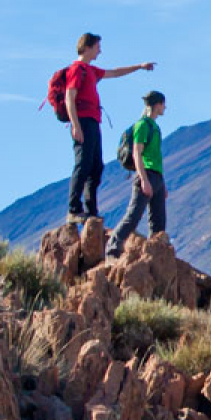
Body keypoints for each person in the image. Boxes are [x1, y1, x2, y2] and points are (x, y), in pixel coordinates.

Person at [66, 32, 155, 222]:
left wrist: (139, 67)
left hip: (93, 121)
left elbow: (115, 72)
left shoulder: (90, 71)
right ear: (88, 47)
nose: (100, 51)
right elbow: (69, 97)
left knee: (96, 166)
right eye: (98, 47)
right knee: (82, 164)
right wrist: (75, 125)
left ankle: (91, 211)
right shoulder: (77, 69)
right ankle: (74, 208)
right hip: (82, 121)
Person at [108, 90, 167, 257]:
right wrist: (143, 179)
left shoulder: (156, 128)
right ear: (157, 105)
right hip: (146, 175)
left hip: (157, 177)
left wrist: (163, 184)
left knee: (158, 222)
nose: (165, 108)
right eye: (163, 104)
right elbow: (137, 153)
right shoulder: (142, 125)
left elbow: (156, 157)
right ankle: (112, 248)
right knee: (133, 215)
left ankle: (156, 256)